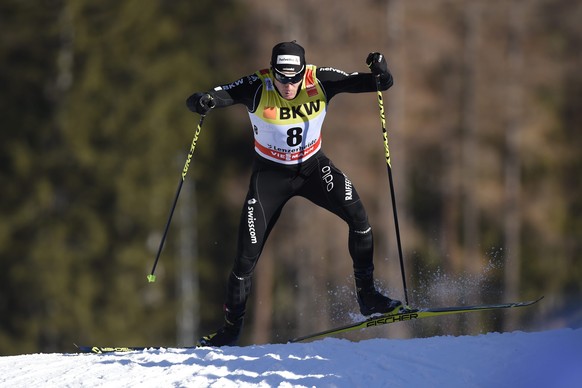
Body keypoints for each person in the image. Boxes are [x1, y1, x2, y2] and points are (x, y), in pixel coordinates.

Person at [187, 41, 401, 347]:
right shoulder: (256, 86)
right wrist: (202, 101)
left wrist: (381, 72)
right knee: (245, 258)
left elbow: (378, 84)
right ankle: (230, 330)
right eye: (281, 77)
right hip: (270, 176)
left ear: (305, 71)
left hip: (312, 169)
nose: (288, 85)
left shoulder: (320, 80)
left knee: (360, 217)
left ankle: (368, 297)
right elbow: (214, 95)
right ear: (272, 71)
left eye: (295, 77)